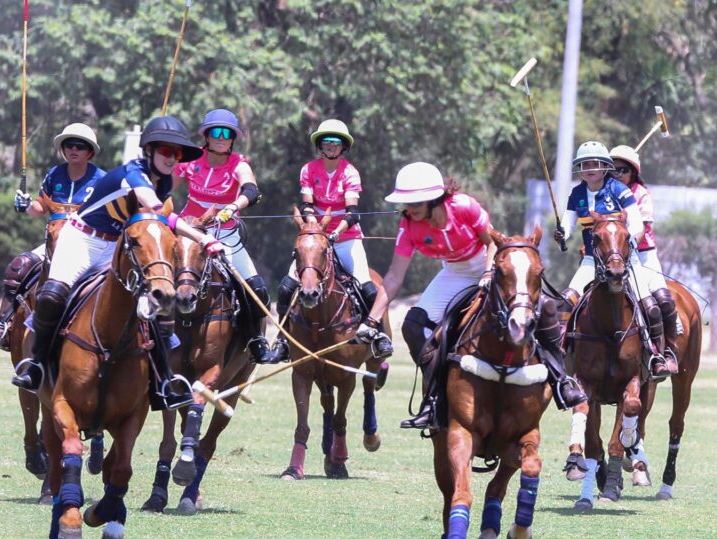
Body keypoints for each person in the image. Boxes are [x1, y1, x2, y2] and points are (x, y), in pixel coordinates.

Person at [356, 162, 586, 430]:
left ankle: (561, 382)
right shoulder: (408, 227)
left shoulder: (464, 206)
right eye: (407, 202)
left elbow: (491, 243)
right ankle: (436, 398)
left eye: (416, 201)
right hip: (453, 273)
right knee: (413, 324)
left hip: (490, 265)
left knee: (545, 308)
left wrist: (488, 274)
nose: (410, 207)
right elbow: (394, 276)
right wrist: (371, 321)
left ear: (435, 197)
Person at [10, 115, 226, 392]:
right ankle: (36, 365)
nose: (173, 159)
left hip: (117, 245)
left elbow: (157, 223)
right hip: (81, 240)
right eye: (166, 151)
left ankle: (163, 380)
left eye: (178, 153)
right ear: (149, 150)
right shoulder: (133, 173)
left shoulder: (163, 182)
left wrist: (203, 239)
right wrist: (202, 236)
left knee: (159, 299)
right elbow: (159, 212)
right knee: (52, 294)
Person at [0, 123, 105, 349]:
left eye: (80, 146)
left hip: (87, 245)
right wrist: (25, 204)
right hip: (53, 241)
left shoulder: (101, 179)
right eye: (69, 145)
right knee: (18, 266)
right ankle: (4, 327)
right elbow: (40, 208)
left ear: (89, 151)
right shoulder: (54, 174)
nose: (74, 149)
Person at [553, 140, 671, 378]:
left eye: (596, 163)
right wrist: (562, 234)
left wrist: (627, 249)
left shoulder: (619, 190)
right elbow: (568, 221)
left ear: (605, 166)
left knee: (650, 306)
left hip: (626, 261)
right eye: (585, 164)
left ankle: (656, 354)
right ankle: (558, 352)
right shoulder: (577, 194)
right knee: (566, 301)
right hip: (591, 261)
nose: (590, 168)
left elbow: (636, 225)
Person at [171, 108, 276, 364]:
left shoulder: (239, 164)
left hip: (225, 235)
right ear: (206, 135)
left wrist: (234, 206)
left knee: (257, 289)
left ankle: (255, 340)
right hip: (188, 232)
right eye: (215, 131)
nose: (221, 136)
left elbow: (251, 189)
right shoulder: (190, 161)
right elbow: (165, 187)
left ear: (232, 138)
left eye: (227, 133)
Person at [271, 119, 378, 361]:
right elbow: (307, 205)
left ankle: (377, 336)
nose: (330, 146)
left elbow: (353, 213)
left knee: (366, 286)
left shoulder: (350, 172)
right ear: (320, 145)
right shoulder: (309, 169)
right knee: (287, 287)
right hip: (316, 240)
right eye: (326, 142)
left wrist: (335, 232)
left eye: (336, 142)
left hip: (346, 239)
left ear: (343, 147)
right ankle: (282, 340)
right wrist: (315, 227)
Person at [610, 144, 679, 373]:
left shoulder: (641, 195)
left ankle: (666, 352)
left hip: (643, 256)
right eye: (613, 170)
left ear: (633, 172)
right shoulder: (605, 193)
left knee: (662, 301)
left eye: (622, 170)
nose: (617, 174)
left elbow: (642, 229)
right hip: (612, 258)